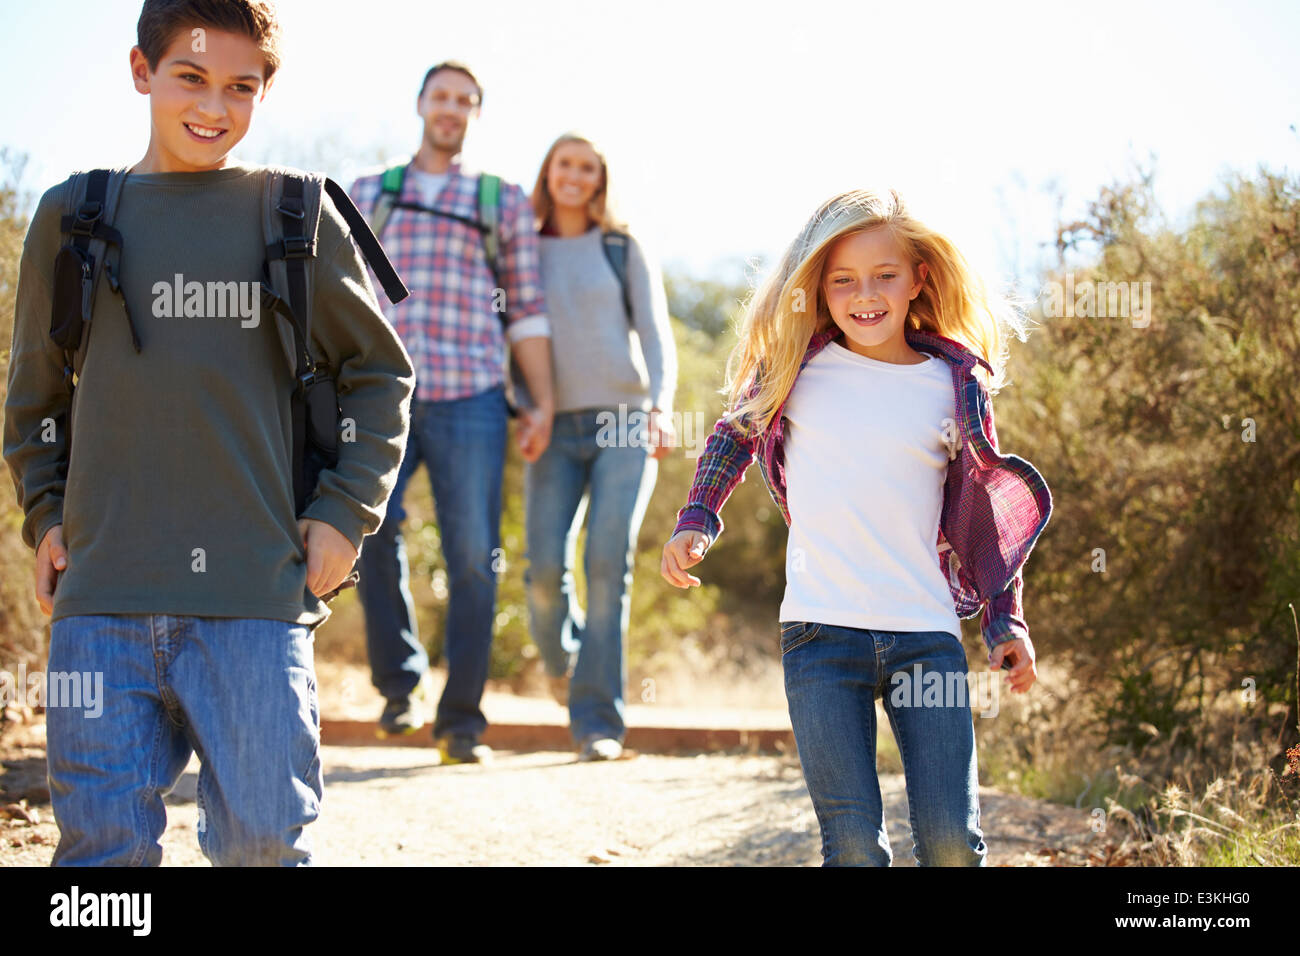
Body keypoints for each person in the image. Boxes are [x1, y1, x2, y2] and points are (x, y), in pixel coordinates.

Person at [2, 0, 415, 865]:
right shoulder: (70, 217)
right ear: (140, 70)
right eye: (191, 77)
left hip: (254, 600)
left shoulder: (295, 216)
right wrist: (43, 513)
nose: (214, 106)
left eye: (241, 86)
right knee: (100, 850)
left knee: (267, 842)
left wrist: (345, 513)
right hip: (100, 598)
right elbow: (35, 395)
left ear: (266, 90)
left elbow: (381, 376)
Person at [660, 188, 1053, 866]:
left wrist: (1003, 622)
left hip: (925, 637)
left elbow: (983, 519)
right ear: (818, 286)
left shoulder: (952, 384)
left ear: (917, 279)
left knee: (951, 842)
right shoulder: (798, 368)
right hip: (820, 634)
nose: (863, 294)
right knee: (853, 849)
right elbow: (734, 435)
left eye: (884, 275)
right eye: (842, 279)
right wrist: (698, 517)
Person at [348, 62, 555, 764]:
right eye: (441, 97)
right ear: (420, 104)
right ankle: (400, 687)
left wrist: (542, 400)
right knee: (370, 533)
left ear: (474, 113)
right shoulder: (369, 194)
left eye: (465, 101)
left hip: (472, 394)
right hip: (381, 392)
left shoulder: (501, 199)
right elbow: (338, 299)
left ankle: (460, 722)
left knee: (474, 559)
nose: (451, 109)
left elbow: (525, 308)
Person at [524, 133, 677, 761]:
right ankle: (567, 663)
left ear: (599, 179)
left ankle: (598, 723)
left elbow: (655, 331)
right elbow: (514, 332)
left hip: (624, 421)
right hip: (553, 427)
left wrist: (663, 406)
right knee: (540, 570)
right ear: (549, 172)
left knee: (607, 567)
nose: (575, 176)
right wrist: (523, 407)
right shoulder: (524, 249)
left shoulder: (622, 245)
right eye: (566, 164)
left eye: (587, 168)